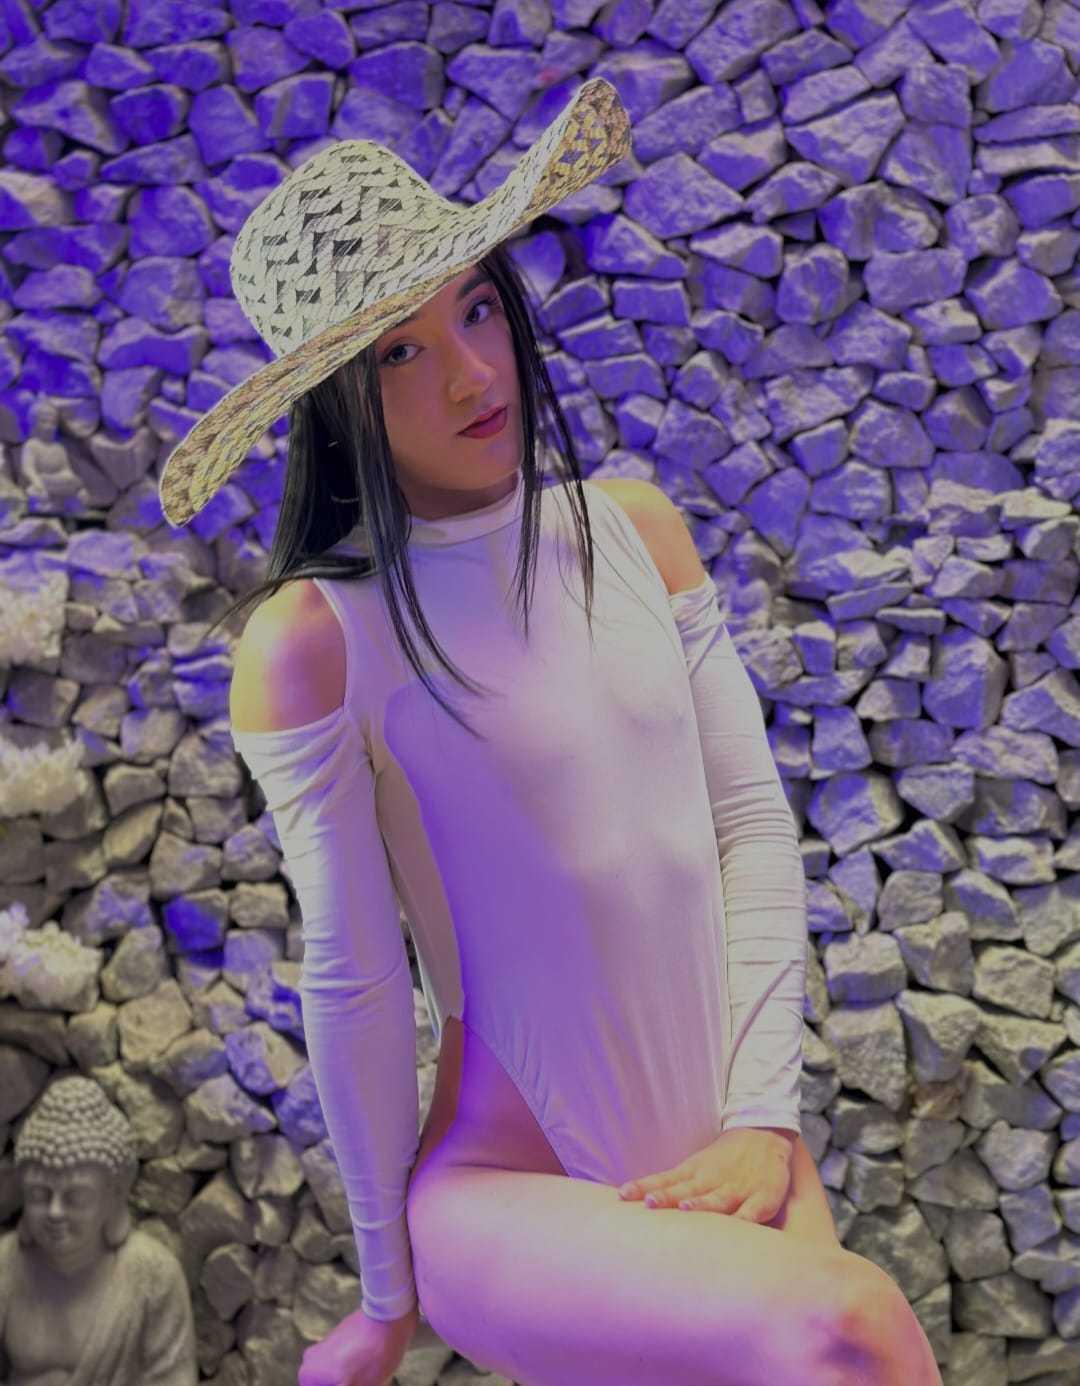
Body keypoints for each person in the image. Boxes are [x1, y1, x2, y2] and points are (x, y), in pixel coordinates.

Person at [159, 80, 942, 1386]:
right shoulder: (315, 639)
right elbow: (353, 978)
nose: (472, 370)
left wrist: (764, 1121)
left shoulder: (639, 533)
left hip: (731, 1150)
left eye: (476, 308)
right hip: (507, 1188)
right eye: (399, 351)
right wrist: (385, 1300)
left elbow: (750, 830)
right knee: (849, 1329)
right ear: (337, 398)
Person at [0, 1076, 197, 1385]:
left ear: (113, 1196)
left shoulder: (153, 1275)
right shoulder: (6, 1264)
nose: (55, 1212)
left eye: (76, 1198)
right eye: (39, 1195)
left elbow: (174, 1378)